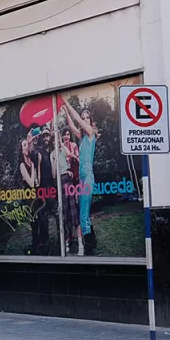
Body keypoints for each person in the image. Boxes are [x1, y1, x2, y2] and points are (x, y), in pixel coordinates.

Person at [63, 100, 99, 256]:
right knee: (84, 212)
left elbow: (76, 119)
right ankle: (93, 242)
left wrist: (66, 102)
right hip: (83, 179)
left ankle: (89, 249)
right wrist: (65, 113)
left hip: (88, 177)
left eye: (86, 118)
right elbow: (72, 126)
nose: (84, 120)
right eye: (83, 118)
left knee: (83, 214)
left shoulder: (90, 133)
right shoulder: (82, 138)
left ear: (90, 122)